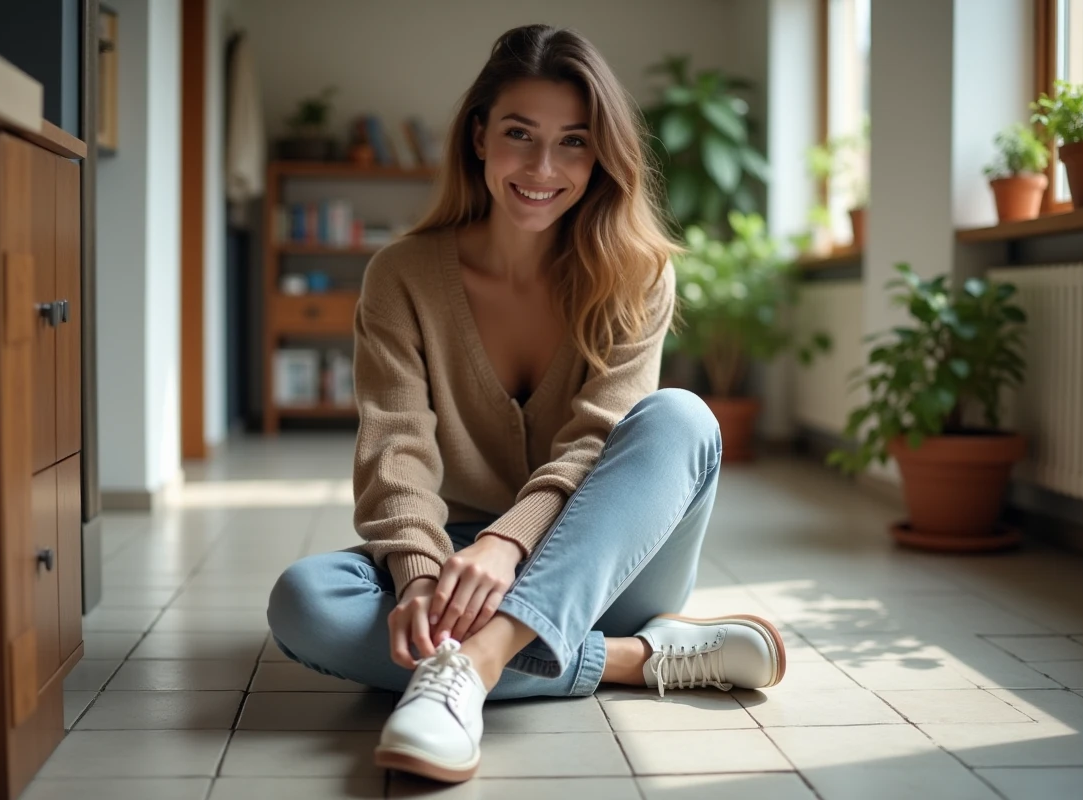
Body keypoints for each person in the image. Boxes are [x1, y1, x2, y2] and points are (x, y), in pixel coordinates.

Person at [267, 23, 786, 784]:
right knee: (305, 601)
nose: (544, 167)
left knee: (682, 418)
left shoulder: (636, 275)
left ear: (602, 153)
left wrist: (507, 547)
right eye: (520, 134)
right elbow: (394, 449)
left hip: (610, 563)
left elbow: (593, 444)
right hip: (466, 562)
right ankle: (635, 660)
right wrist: (417, 577)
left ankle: (470, 671)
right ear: (479, 136)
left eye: (574, 142)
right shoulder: (402, 276)